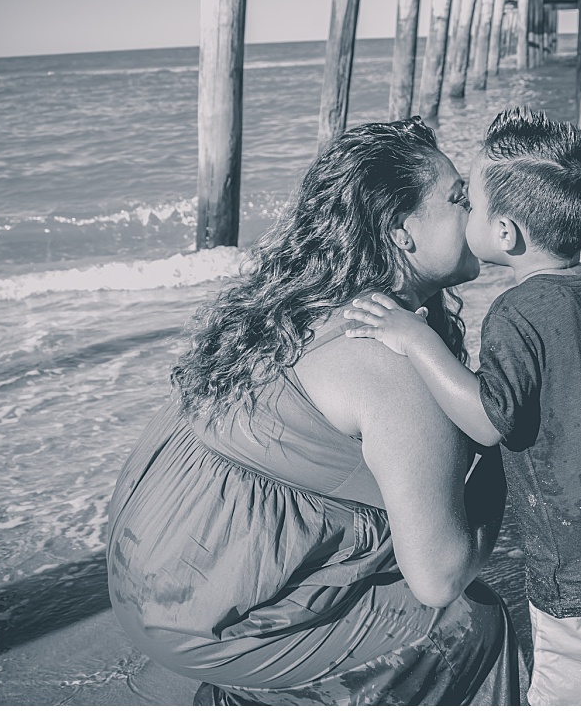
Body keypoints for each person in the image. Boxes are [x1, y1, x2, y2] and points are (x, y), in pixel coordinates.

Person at [105, 118, 521, 706]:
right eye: (460, 197)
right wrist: (503, 445)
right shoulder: (387, 369)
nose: (480, 205)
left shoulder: (288, 309)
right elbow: (440, 577)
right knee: (470, 620)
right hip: (203, 620)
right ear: (400, 232)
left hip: (150, 581)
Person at [344, 108, 581, 706]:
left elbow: (485, 418)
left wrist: (416, 338)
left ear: (505, 234)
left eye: (470, 206)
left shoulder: (517, 313)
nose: (465, 215)